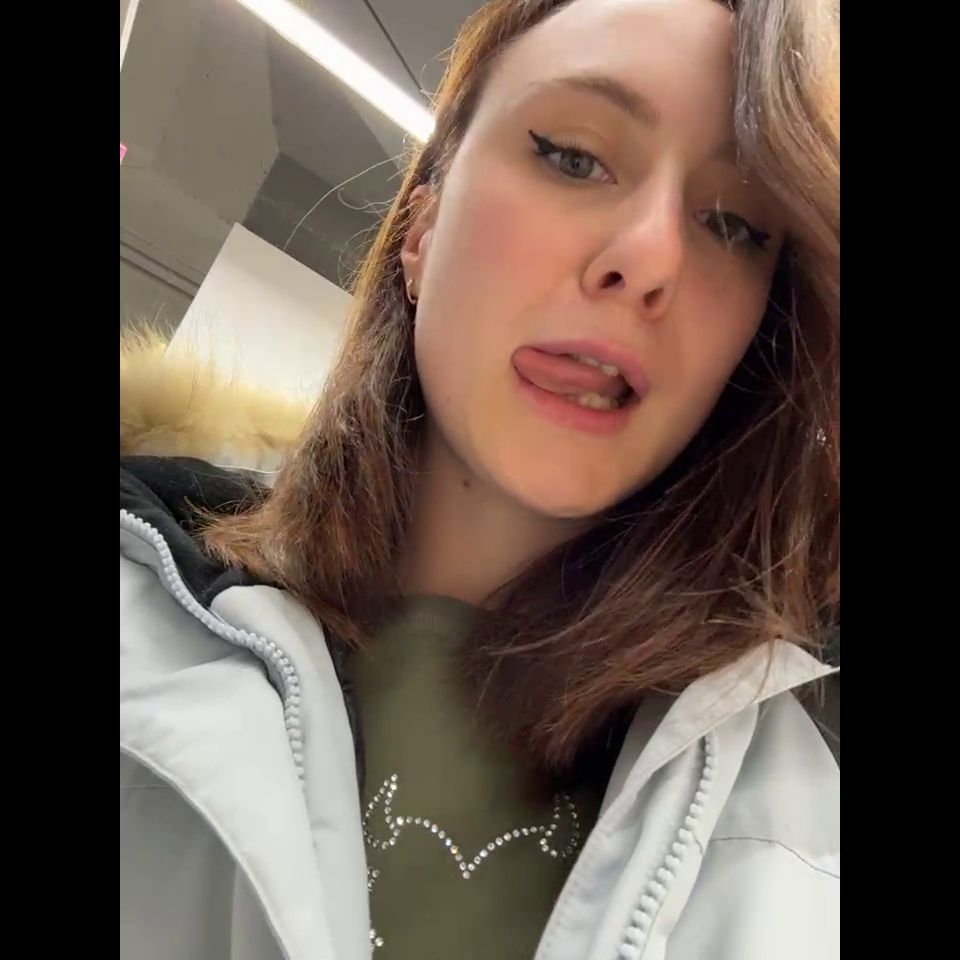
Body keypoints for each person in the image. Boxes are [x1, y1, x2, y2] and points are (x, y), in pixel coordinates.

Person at [119, 0, 840, 957]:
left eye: (733, 223)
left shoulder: (802, 832)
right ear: (421, 227)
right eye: (573, 157)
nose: (649, 259)